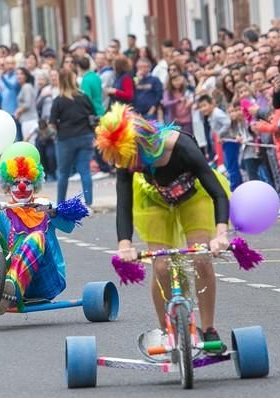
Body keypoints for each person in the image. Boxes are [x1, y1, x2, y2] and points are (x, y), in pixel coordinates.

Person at [95, 103, 230, 352]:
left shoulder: (182, 147)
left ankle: (209, 328)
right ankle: (168, 330)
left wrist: (220, 234)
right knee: (160, 265)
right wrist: (124, 244)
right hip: (155, 199)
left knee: (200, 257)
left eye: (129, 161)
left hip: (195, 196)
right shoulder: (125, 160)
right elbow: (124, 203)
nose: (128, 167)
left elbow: (218, 194)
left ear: (141, 147)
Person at [0, 147, 87, 311]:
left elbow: (69, 227)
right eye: (15, 183)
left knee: (37, 237)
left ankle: (13, 287)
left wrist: (52, 210)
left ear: (35, 185)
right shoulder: (4, 214)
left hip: (47, 282)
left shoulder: (44, 208)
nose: (21, 187)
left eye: (27, 182)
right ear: (7, 187)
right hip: (5, 285)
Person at [49, 69, 96, 207]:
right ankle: (89, 203)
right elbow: (93, 115)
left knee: (63, 173)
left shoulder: (58, 101)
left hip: (66, 139)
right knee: (85, 171)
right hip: (85, 136)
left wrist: (56, 133)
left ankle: (61, 204)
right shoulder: (84, 97)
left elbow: (52, 123)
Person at [14, 67, 38, 144]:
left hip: (30, 120)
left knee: (30, 144)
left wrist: (18, 111)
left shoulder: (26, 86)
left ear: (26, 76)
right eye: (17, 74)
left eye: (21, 74)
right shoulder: (24, 87)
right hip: (26, 120)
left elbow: (27, 104)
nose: (19, 76)